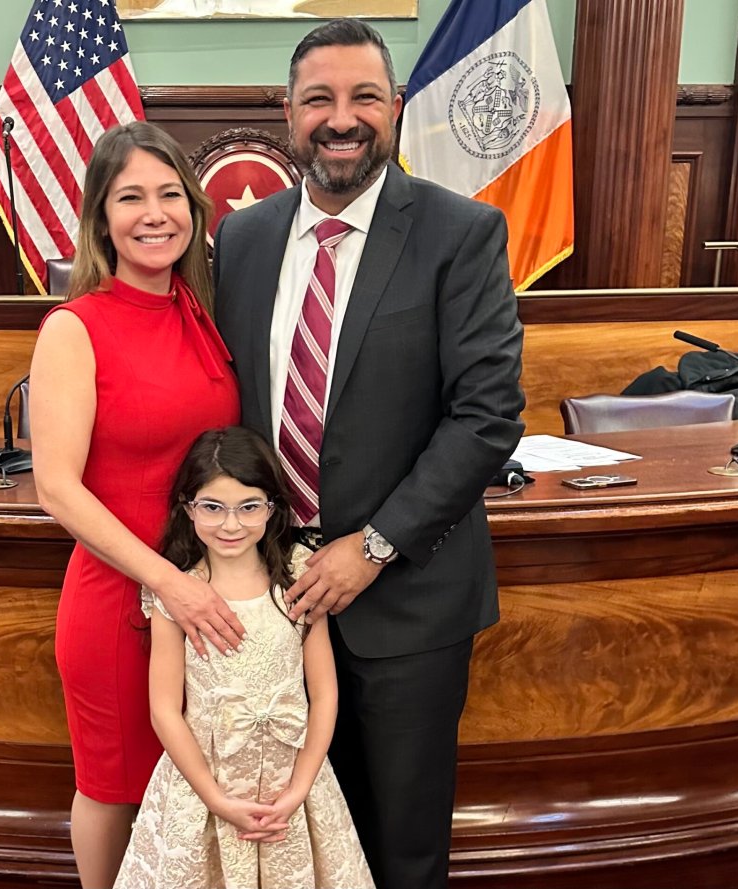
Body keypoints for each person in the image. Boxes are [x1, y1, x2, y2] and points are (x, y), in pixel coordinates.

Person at [212, 18, 526, 889]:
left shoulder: (461, 233)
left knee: (401, 840)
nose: (340, 118)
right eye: (319, 99)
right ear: (288, 113)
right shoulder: (242, 238)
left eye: (362, 98)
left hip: (408, 600)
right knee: (295, 834)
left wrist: (375, 545)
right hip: (269, 597)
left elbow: (487, 415)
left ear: (393, 108)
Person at [29, 121, 246, 889]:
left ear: (194, 207)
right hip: (125, 600)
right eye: (131, 198)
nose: (154, 214)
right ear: (100, 218)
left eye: (169, 194)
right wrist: (170, 583)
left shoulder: (204, 310)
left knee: (192, 791)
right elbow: (56, 486)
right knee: (116, 787)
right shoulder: (75, 327)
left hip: (208, 602)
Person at [115, 426, 374, 889]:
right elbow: (164, 709)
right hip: (205, 788)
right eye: (212, 507)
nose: (230, 525)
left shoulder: (298, 575)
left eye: (248, 506)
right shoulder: (176, 593)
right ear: (187, 507)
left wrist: (300, 788)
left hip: (293, 787)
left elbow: (325, 693)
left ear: (272, 508)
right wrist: (216, 800)